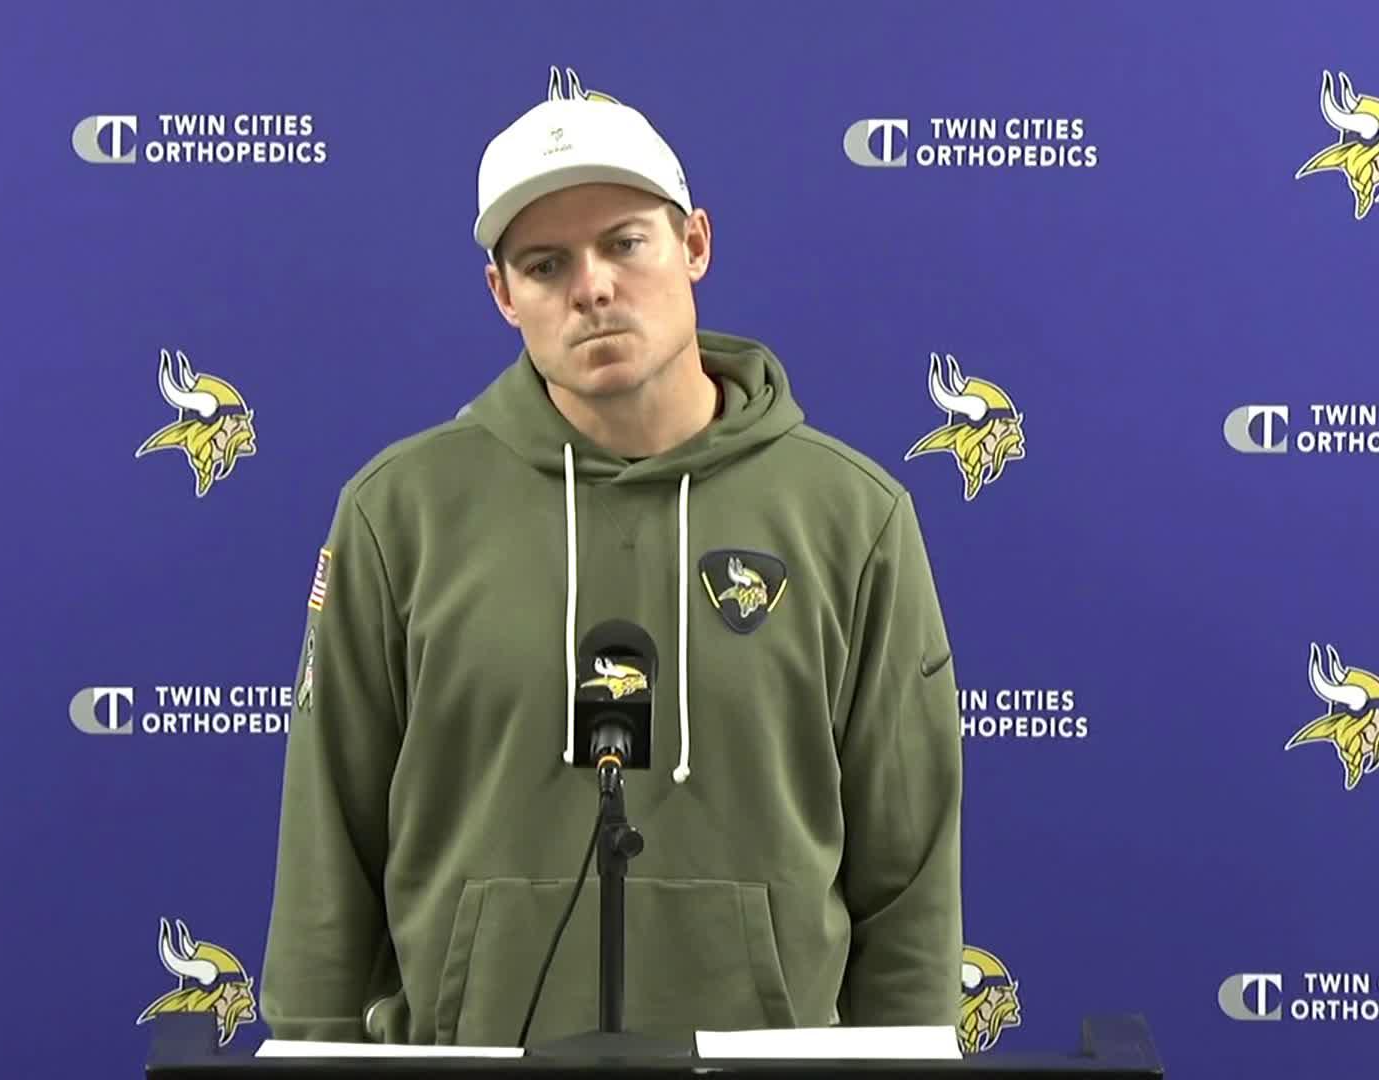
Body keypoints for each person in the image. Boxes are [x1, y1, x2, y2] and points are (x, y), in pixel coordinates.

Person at [259, 65, 961, 1048]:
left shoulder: (852, 516)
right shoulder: (399, 513)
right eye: (545, 265)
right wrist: (307, 1050)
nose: (591, 286)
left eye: (625, 243)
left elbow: (910, 876)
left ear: (695, 244)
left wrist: (912, 1058)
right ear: (504, 295)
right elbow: (328, 845)